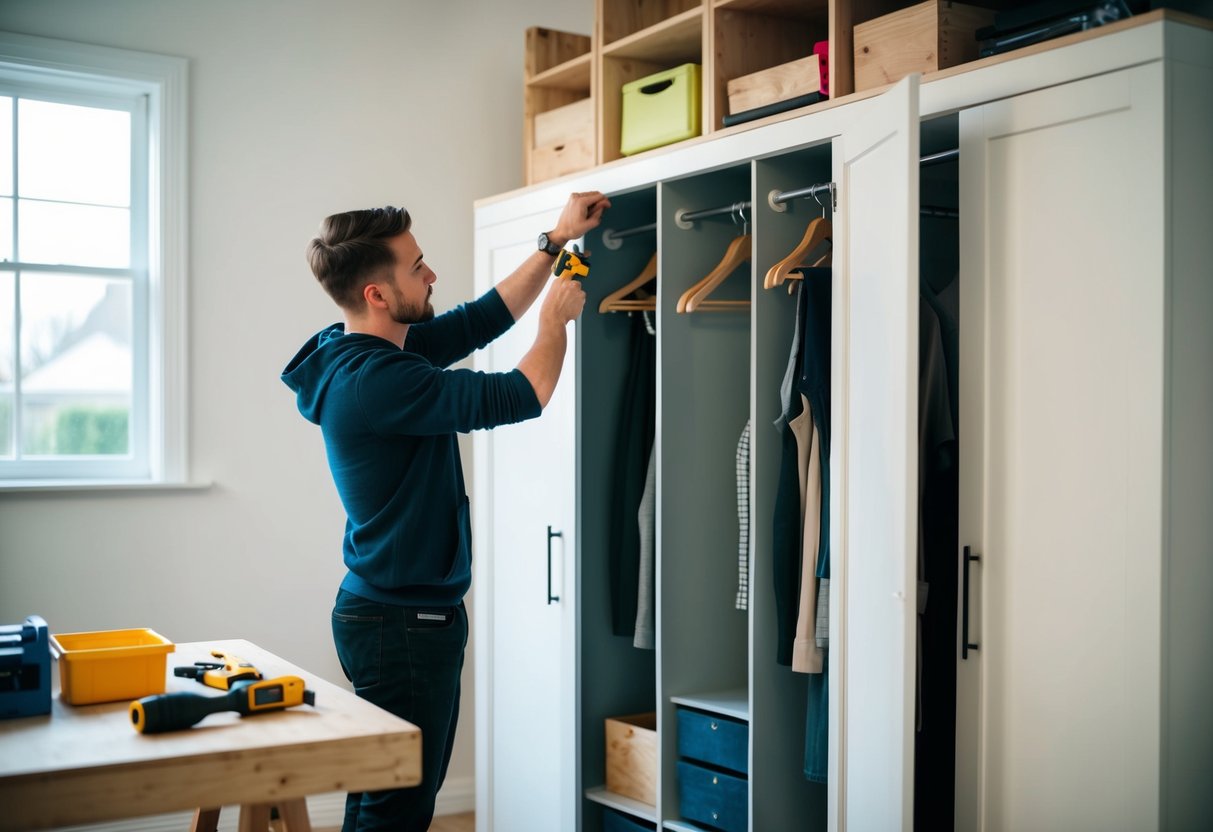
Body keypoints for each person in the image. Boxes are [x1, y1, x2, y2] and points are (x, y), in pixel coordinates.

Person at [281, 191, 609, 831]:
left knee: (386, 798)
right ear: (377, 293)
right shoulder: (379, 381)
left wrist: (554, 240)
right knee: (398, 810)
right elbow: (524, 393)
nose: (431, 275)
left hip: (392, 615)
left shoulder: (363, 350)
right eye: (417, 266)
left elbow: (477, 320)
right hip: (402, 625)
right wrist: (556, 322)